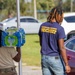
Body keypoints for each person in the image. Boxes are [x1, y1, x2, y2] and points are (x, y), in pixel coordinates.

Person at [38, 6, 71, 75]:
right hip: (55, 58)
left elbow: (41, 43)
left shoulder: (42, 26)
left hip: (44, 58)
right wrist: (66, 64)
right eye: (62, 16)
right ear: (59, 15)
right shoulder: (60, 28)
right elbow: (61, 48)